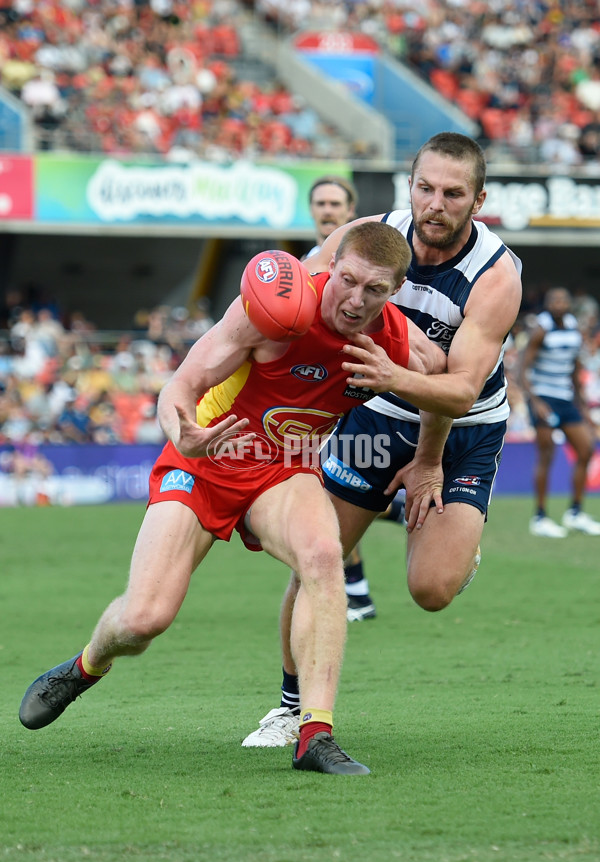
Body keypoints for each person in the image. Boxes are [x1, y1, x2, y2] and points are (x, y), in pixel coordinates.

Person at [18, 222, 446, 776]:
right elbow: (181, 384)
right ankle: (84, 666)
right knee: (145, 619)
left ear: (396, 291)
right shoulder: (277, 308)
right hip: (206, 459)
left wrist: (429, 460)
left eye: (375, 290)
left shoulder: (396, 343)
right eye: (348, 280)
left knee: (323, 556)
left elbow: (440, 384)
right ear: (331, 266)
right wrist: (183, 430)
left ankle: (315, 734)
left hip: (284, 468)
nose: (356, 300)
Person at [242, 131, 523, 750]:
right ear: (410, 185)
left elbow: (457, 391)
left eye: (454, 193)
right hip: (374, 414)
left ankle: (449, 537)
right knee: (319, 558)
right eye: (425, 188)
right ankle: (291, 707)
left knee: (431, 590)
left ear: (479, 200)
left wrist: (426, 460)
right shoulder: (367, 237)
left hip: (464, 428)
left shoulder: (495, 277)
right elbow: (291, 293)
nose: (436, 204)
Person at [306, 174, 405, 621]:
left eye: (335, 204)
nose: (327, 211)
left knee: (330, 492)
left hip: (360, 393)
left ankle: (356, 591)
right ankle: (359, 592)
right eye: (320, 203)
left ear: (352, 212)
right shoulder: (308, 263)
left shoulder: (377, 263)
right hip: (315, 394)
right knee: (330, 493)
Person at [518, 286, 600, 538]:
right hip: (543, 398)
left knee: (586, 450)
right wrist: (536, 401)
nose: (559, 303)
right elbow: (522, 369)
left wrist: (583, 407)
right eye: (554, 300)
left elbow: (575, 371)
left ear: (569, 304)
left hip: (565, 399)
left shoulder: (574, 328)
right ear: (547, 303)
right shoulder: (541, 330)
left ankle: (575, 513)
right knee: (546, 456)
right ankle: (540, 517)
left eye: (563, 299)